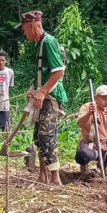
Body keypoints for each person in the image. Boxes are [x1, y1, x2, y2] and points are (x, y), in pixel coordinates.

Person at [19, 10, 67, 185]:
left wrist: (42, 91)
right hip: (42, 96)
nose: (24, 33)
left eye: (24, 29)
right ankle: (42, 175)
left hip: (51, 97)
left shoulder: (49, 42)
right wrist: (33, 88)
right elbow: (41, 72)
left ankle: (55, 177)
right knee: (38, 137)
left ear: (32, 26)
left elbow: (58, 71)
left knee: (47, 135)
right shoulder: (36, 44)